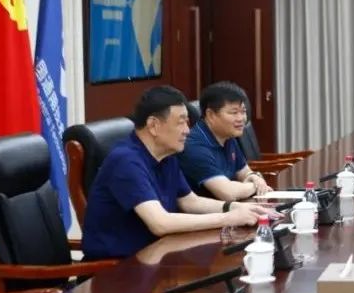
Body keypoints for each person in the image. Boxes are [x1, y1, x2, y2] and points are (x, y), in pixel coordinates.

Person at [82, 85, 275, 259]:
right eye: (181, 123)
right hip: (119, 269)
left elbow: (190, 202)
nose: (187, 131)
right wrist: (228, 218)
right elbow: (160, 223)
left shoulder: (166, 156)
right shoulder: (126, 161)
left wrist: (234, 208)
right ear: (154, 125)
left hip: (159, 255)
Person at [179, 82, 273, 200]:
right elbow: (227, 193)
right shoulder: (194, 146)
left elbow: (244, 172)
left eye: (243, 111)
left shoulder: (227, 136)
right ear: (211, 115)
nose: (241, 118)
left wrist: (253, 176)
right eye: (234, 113)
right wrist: (256, 185)